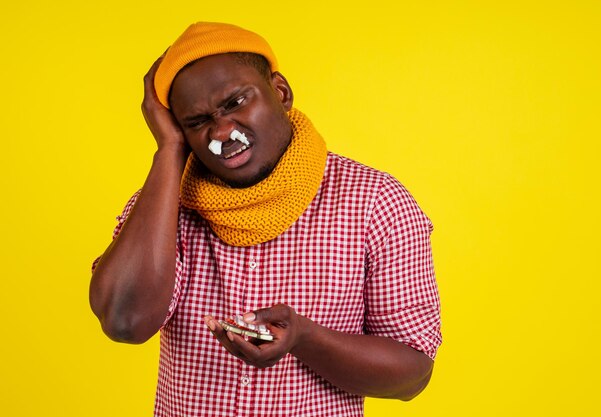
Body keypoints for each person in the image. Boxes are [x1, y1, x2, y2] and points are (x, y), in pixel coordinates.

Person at [90, 22, 441, 417]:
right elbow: (125, 321)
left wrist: (303, 339)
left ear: (280, 93)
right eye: (196, 122)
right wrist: (169, 150)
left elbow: (411, 376)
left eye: (236, 102)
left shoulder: (375, 203)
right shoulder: (163, 207)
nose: (221, 130)